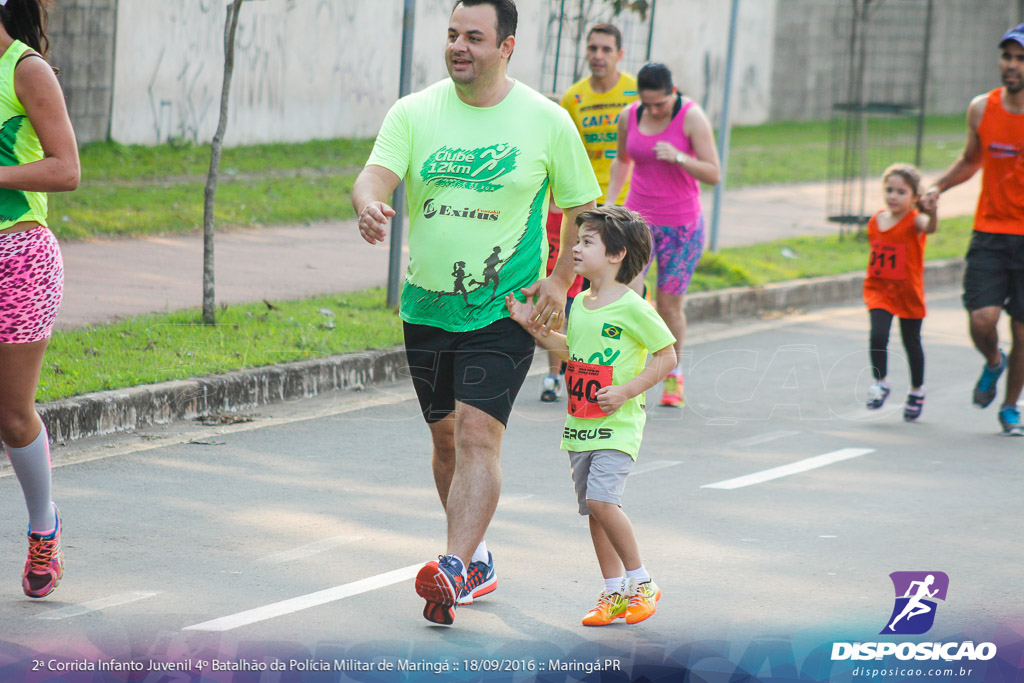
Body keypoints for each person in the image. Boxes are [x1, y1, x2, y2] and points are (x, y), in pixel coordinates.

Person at [351, 0, 600, 625]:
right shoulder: (414, 112)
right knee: (443, 442)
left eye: (475, 37)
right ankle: (477, 557)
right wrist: (368, 205)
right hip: (426, 305)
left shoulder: (546, 120)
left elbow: (582, 210)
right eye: (453, 35)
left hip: (504, 307)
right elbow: (373, 177)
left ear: (506, 46)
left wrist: (560, 280)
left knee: (476, 434)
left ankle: (455, 568)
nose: (460, 46)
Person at [505, 206, 676, 626]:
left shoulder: (633, 307)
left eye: (586, 242)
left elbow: (667, 355)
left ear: (616, 254)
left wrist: (627, 391)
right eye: (576, 240)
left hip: (617, 423)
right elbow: (571, 353)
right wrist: (534, 328)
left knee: (602, 500)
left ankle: (643, 582)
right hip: (580, 425)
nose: (575, 249)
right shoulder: (581, 302)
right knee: (594, 511)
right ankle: (613, 592)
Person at [0, 0, 80, 598]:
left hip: (18, 258)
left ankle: (43, 525)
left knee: (11, 413)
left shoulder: (25, 69)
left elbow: (66, 168)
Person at [921, 23, 1024, 436]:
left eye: (1020, 59)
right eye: (1007, 56)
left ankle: (1011, 406)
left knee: (1023, 331)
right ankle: (993, 362)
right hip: (991, 232)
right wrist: (936, 187)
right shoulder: (982, 108)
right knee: (982, 319)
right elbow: (970, 160)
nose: (1011, 65)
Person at [605, 62, 721, 407]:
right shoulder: (629, 116)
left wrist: (680, 157)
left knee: (670, 307)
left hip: (682, 226)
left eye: (661, 104)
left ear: (674, 92)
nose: (654, 110)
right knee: (627, 294)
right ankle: (626, 375)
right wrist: (611, 203)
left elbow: (714, 174)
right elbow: (622, 160)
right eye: (648, 104)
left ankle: (674, 374)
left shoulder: (691, 117)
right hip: (639, 222)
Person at [538, 23, 637, 402]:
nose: (598, 55)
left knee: (615, 294)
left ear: (619, 54)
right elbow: (561, 155)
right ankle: (554, 375)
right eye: (592, 48)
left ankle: (617, 369)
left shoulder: (632, 93)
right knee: (565, 283)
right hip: (582, 207)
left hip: (624, 210)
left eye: (605, 49)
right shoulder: (574, 98)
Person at [864, 164, 937, 421]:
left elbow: (929, 228)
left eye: (901, 192)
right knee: (878, 335)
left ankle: (917, 390)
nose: (893, 196)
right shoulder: (876, 221)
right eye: (889, 190)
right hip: (880, 290)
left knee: (911, 342)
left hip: (908, 292)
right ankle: (881, 382)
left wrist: (932, 211)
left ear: (915, 197)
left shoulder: (914, 220)